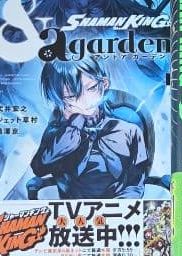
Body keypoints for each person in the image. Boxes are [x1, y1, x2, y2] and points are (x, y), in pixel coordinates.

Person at [31, 58, 148, 199]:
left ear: (104, 84)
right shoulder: (57, 133)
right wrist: (73, 126)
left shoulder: (129, 130)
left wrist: (122, 206)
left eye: (92, 88)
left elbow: (136, 182)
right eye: (71, 96)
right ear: (59, 99)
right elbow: (39, 168)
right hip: (73, 208)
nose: (85, 101)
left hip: (121, 207)